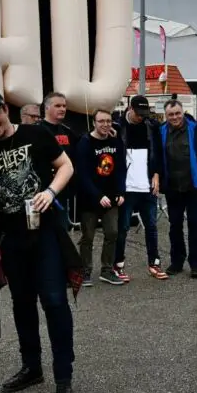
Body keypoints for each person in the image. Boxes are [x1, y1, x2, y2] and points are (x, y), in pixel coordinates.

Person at [0, 91, 81, 393]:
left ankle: (64, 378)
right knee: (21, 303)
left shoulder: (35, 133)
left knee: (54, 301)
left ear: (6, 110)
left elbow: (66, 166)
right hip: (10, 235)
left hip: (44, 230)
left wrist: (50, 191)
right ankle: (31, 366)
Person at [155, 99, 197, 277]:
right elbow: (156, 158)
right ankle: (177, 262)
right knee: (174, 226)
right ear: (165, 115)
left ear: (182, 113)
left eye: (177, 113)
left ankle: (195, 264)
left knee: (195, 225)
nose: (175, 117)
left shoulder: (196, 129)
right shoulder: (160, 131)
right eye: (171, 115)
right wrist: (155, 176)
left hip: (193, 186)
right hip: (173, 187)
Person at [113, 95, 164, 281]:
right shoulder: (118, 127)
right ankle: (117, 264)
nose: (141, 117)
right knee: (123, 227)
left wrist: (157, 173)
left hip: (147, 186)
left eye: (144, 114)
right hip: (126, 187)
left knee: (151, 226)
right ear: (130, 109)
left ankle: (155, 263)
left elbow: (157, 153)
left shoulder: (152, 127)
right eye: (138, 114)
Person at [74, 108, 126, 286]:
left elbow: (120, 169)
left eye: (108, 121)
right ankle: (85, 271)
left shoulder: (116, 141)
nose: (105, 125)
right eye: (101, 121)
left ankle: (106, 270)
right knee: (87, 236)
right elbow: (82, 174)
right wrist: (97, 196)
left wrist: (120, 192)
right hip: (90, 198)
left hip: (111, 197)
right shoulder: (85, 142)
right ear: (94, 123)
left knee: (112, 233)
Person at [38, 92, 80, 229]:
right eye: (58, 105)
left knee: (62, 232)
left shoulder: (68, 132)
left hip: (62, 191)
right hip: (40, 191)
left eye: (64, 106)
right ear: (47, 108)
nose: (62, 109)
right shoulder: (36, 130)